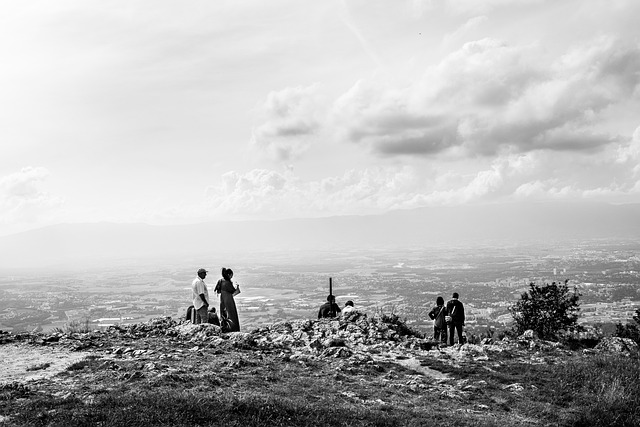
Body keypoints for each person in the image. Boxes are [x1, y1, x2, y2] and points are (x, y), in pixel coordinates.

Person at [215, 267, 240, 332]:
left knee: (223, 312)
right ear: (229, 274)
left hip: (222, 299)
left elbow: (218, 291)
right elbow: (233, 291)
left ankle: (224, 326)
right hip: (229, 299)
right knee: (231, 313)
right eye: (231, 275)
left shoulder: (220, 281)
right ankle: (232, 328)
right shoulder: (228, 282)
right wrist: (237, 287)